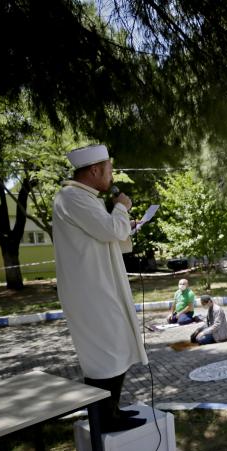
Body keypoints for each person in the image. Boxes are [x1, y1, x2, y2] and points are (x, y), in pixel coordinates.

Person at [53, 144, 146, 431]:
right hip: (91, 293)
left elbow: (107, 233)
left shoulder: (85, 198)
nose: (112, 177)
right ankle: (104, 418)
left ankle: (112, 411)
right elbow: (109, 231)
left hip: (102, 288)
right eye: (109, 171)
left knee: (117, 348)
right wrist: (120, 209)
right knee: (103, 356)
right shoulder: (72, 197)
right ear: (94, 170)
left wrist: (124, 222)